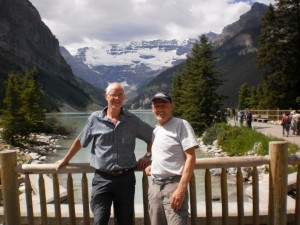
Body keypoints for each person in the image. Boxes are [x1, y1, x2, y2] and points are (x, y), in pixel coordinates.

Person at [56, 82, 153, 225]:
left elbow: (153, 135)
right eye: (114, 94)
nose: (117, 98)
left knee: (125, 221)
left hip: (126, 179)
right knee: (99, 220)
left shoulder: (132, 120)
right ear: (106, 96)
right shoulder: (95, 119)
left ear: (124, 98)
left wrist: (148, 155)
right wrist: (65, 159)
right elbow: (80, 141)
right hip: (102, 179)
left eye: (120, 95)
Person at [145, 92, 198, 225]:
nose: (160, 109)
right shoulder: (155, 130)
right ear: (152, 109)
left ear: (171, 106)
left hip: (174, 186)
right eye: (157, 106)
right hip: (155, 187)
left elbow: (191, 157)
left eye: (163, 105)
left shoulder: (181, 124)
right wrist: (152, 164)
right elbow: (160, 152)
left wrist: (181, 189)